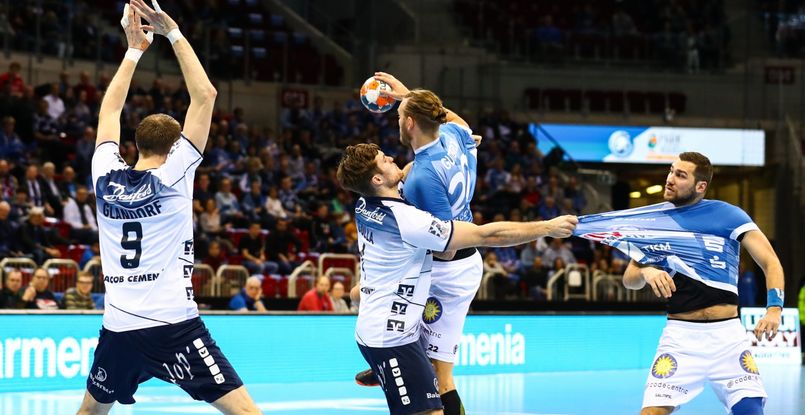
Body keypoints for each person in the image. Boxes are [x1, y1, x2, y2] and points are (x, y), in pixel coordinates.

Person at [77, 2, 260, 414]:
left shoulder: (104, 174)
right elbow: (205, 95)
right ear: (176, 146)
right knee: (247, 412)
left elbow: (109, 110)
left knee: (90, 412)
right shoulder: (176, 173)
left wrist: (133, 50)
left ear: (134, 143)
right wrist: (173, 33)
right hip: (174, 327)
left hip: (120, 328)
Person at [337, 142, 577, 415]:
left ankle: (388, 370)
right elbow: (486, 235)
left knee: (435, 388)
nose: (392, 158)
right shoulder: (408, 221)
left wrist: (453, 145)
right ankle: (389, 369)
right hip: (392, 340)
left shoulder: (365, 203)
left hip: (388, 328)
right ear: (377, 180)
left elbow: (409, 169)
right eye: (384, 160)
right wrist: (546, 227)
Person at [576, 152, 783, 415]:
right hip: (680, 339)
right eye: (671, 171)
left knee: (751, 411)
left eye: (680, 175)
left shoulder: (728, 215)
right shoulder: (655, 222)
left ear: (700, 186)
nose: (670, 179)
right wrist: (647, 272)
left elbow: (770, 261)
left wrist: (774, 308)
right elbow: (630, 280)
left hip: (727, 338)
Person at [353, 73, 481, 414]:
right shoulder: (453, 135)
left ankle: (402, 362)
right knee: (360, 293)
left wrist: (410, 223)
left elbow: (445, 247)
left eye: (399, 115)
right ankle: (394, 362)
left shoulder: (422, 177)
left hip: (447, 270)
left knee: (441, 378)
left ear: (409, 123)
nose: (397, 119)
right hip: (463, 263)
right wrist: (408, 96)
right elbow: (455, 120)